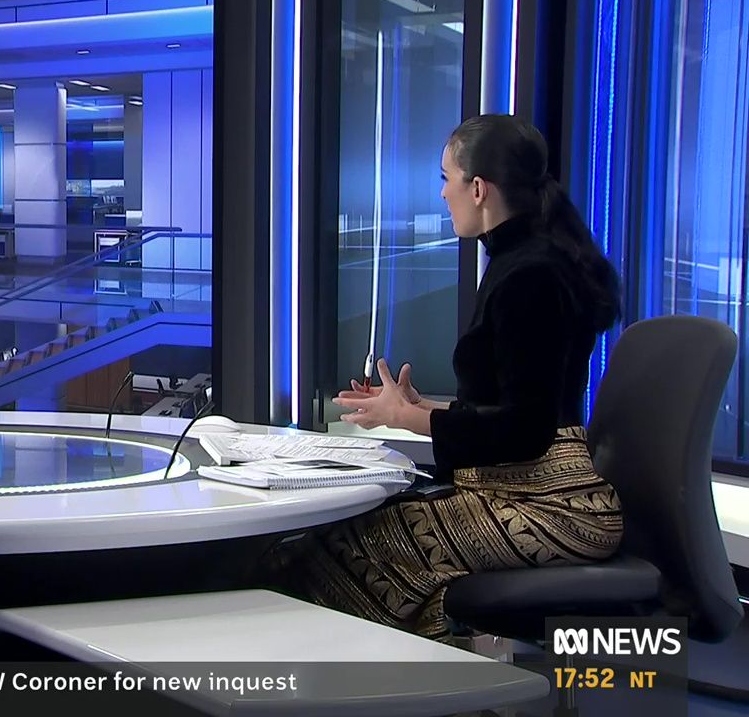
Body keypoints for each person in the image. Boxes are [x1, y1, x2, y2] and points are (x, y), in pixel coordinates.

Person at [265, 114, 624, 641]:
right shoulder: (525, 260)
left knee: (337, 549)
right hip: (525, 491)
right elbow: (515, 407)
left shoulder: (531, 276)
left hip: (556, 507)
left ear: (478, 189)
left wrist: (409, 418)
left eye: (445, 178)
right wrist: (420, 408)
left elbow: (527, 429)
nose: (441, 194)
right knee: (334, 538)